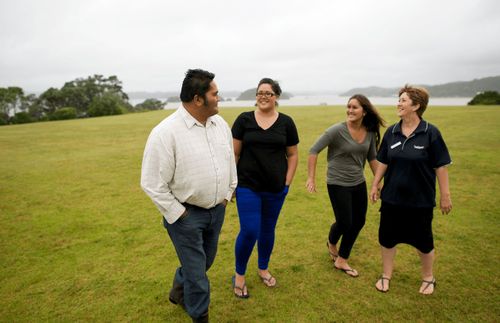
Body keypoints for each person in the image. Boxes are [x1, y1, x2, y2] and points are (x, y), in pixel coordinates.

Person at [141, 69, 237, 322]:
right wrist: (180, 214)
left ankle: (178, 289)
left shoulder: (220, 125)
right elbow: (151, 183)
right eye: (215, 94)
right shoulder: (165, 133)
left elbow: (230, 163)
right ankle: (199, 315)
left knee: (205, 262)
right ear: (198, 99)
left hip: (216, 212)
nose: (219, 98)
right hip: (186, 217)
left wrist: (227, 195)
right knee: (198, 277)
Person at [369, 85, 452, 295]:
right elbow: (384, 161)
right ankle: (386, 275)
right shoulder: (392, 131)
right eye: (399, 99)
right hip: (392, 199)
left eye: (403, 100)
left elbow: (440, 166)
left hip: (420, 201)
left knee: (423, 242)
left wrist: (445, 196)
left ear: (416, 105)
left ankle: (428, 278)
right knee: (387, 238)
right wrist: (375, 183)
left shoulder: (431, 132)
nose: (399, 103)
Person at [231, 78, 299, 298]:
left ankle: (263, 268)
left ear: (276, 97)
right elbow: (235, 154)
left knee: (268, 230)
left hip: (275, 188)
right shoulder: (244, 120)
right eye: (260, 92)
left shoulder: (286, 123)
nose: (263, 96)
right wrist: (231, 183)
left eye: (268, 93)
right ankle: (239, 276)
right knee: (250, 230)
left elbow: (293, 154)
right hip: (247, 186)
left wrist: (287, 183)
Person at [306, 94, 385, 277]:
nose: (350, 110)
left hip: (358, 182)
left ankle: (342, 260)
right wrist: (311, 178)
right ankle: (332, 242)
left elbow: (372, 157)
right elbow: (313, 150)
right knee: (345, 221)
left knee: (359, 221)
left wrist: (377, 183)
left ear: (364, 111)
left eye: (354, 107)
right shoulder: (336, 131)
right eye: (348, 106)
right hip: (337, 182)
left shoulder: (370, 132)